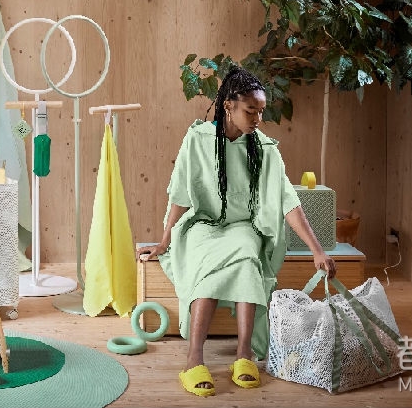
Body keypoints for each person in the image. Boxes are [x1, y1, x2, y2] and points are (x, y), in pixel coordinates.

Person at [136, 65, 336, 396]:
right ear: (228, 105)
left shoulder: (265, 148)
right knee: (207, 259)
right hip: (202, 225)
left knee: (247, 255)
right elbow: (181, 195)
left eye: (261, 111)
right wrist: (164, 240)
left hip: (243, 227)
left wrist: (318, 250)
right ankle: (194, 358)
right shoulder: (197, 139)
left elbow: (289, 202)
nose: (258, 118)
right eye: (250, 110)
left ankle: (244, 356)